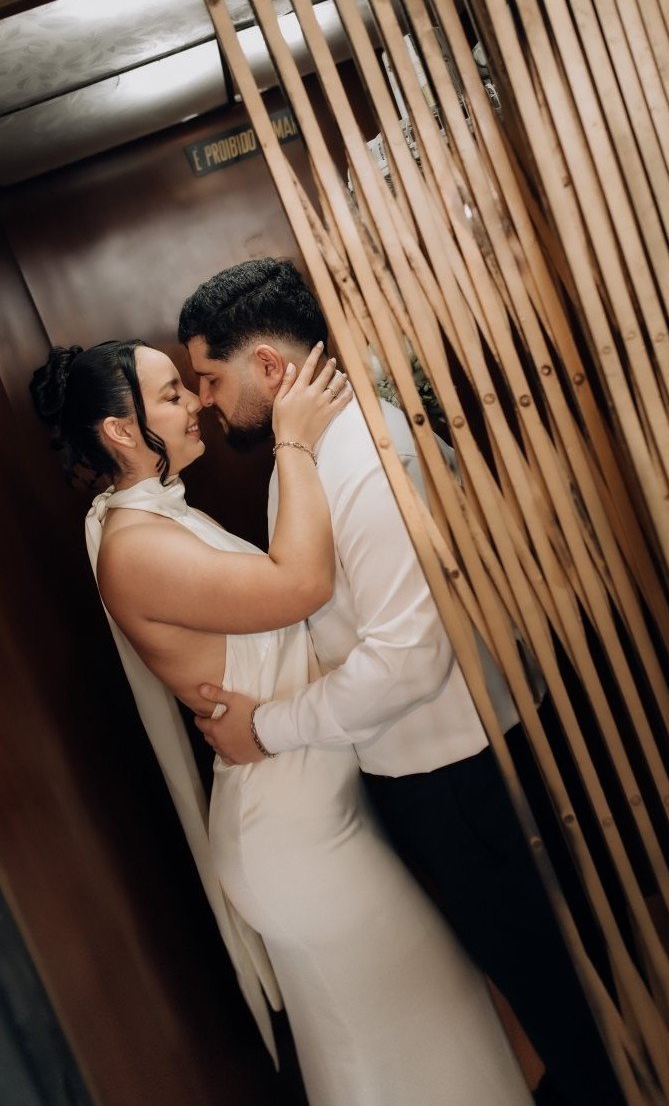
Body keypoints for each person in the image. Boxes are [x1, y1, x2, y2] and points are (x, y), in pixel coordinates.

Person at [30, 336, 532, 1106]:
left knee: (423, 1038)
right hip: (292, 838)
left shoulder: (163, 519)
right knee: (414, 1046)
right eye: (171, 394)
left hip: (320, 814)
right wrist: (292, 438)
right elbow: (299, 583)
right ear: (121, 430)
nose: (194, 403)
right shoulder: (133, 548)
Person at [180, 258, 625, 1106]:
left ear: (268, 365)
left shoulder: (361, 458)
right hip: (442, 769)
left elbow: (407, 660)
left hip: (461, 772)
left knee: (557, 1000)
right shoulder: (312, 451)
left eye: (210, 377)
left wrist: (265, 727)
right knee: (541, 992)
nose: (205, 399)